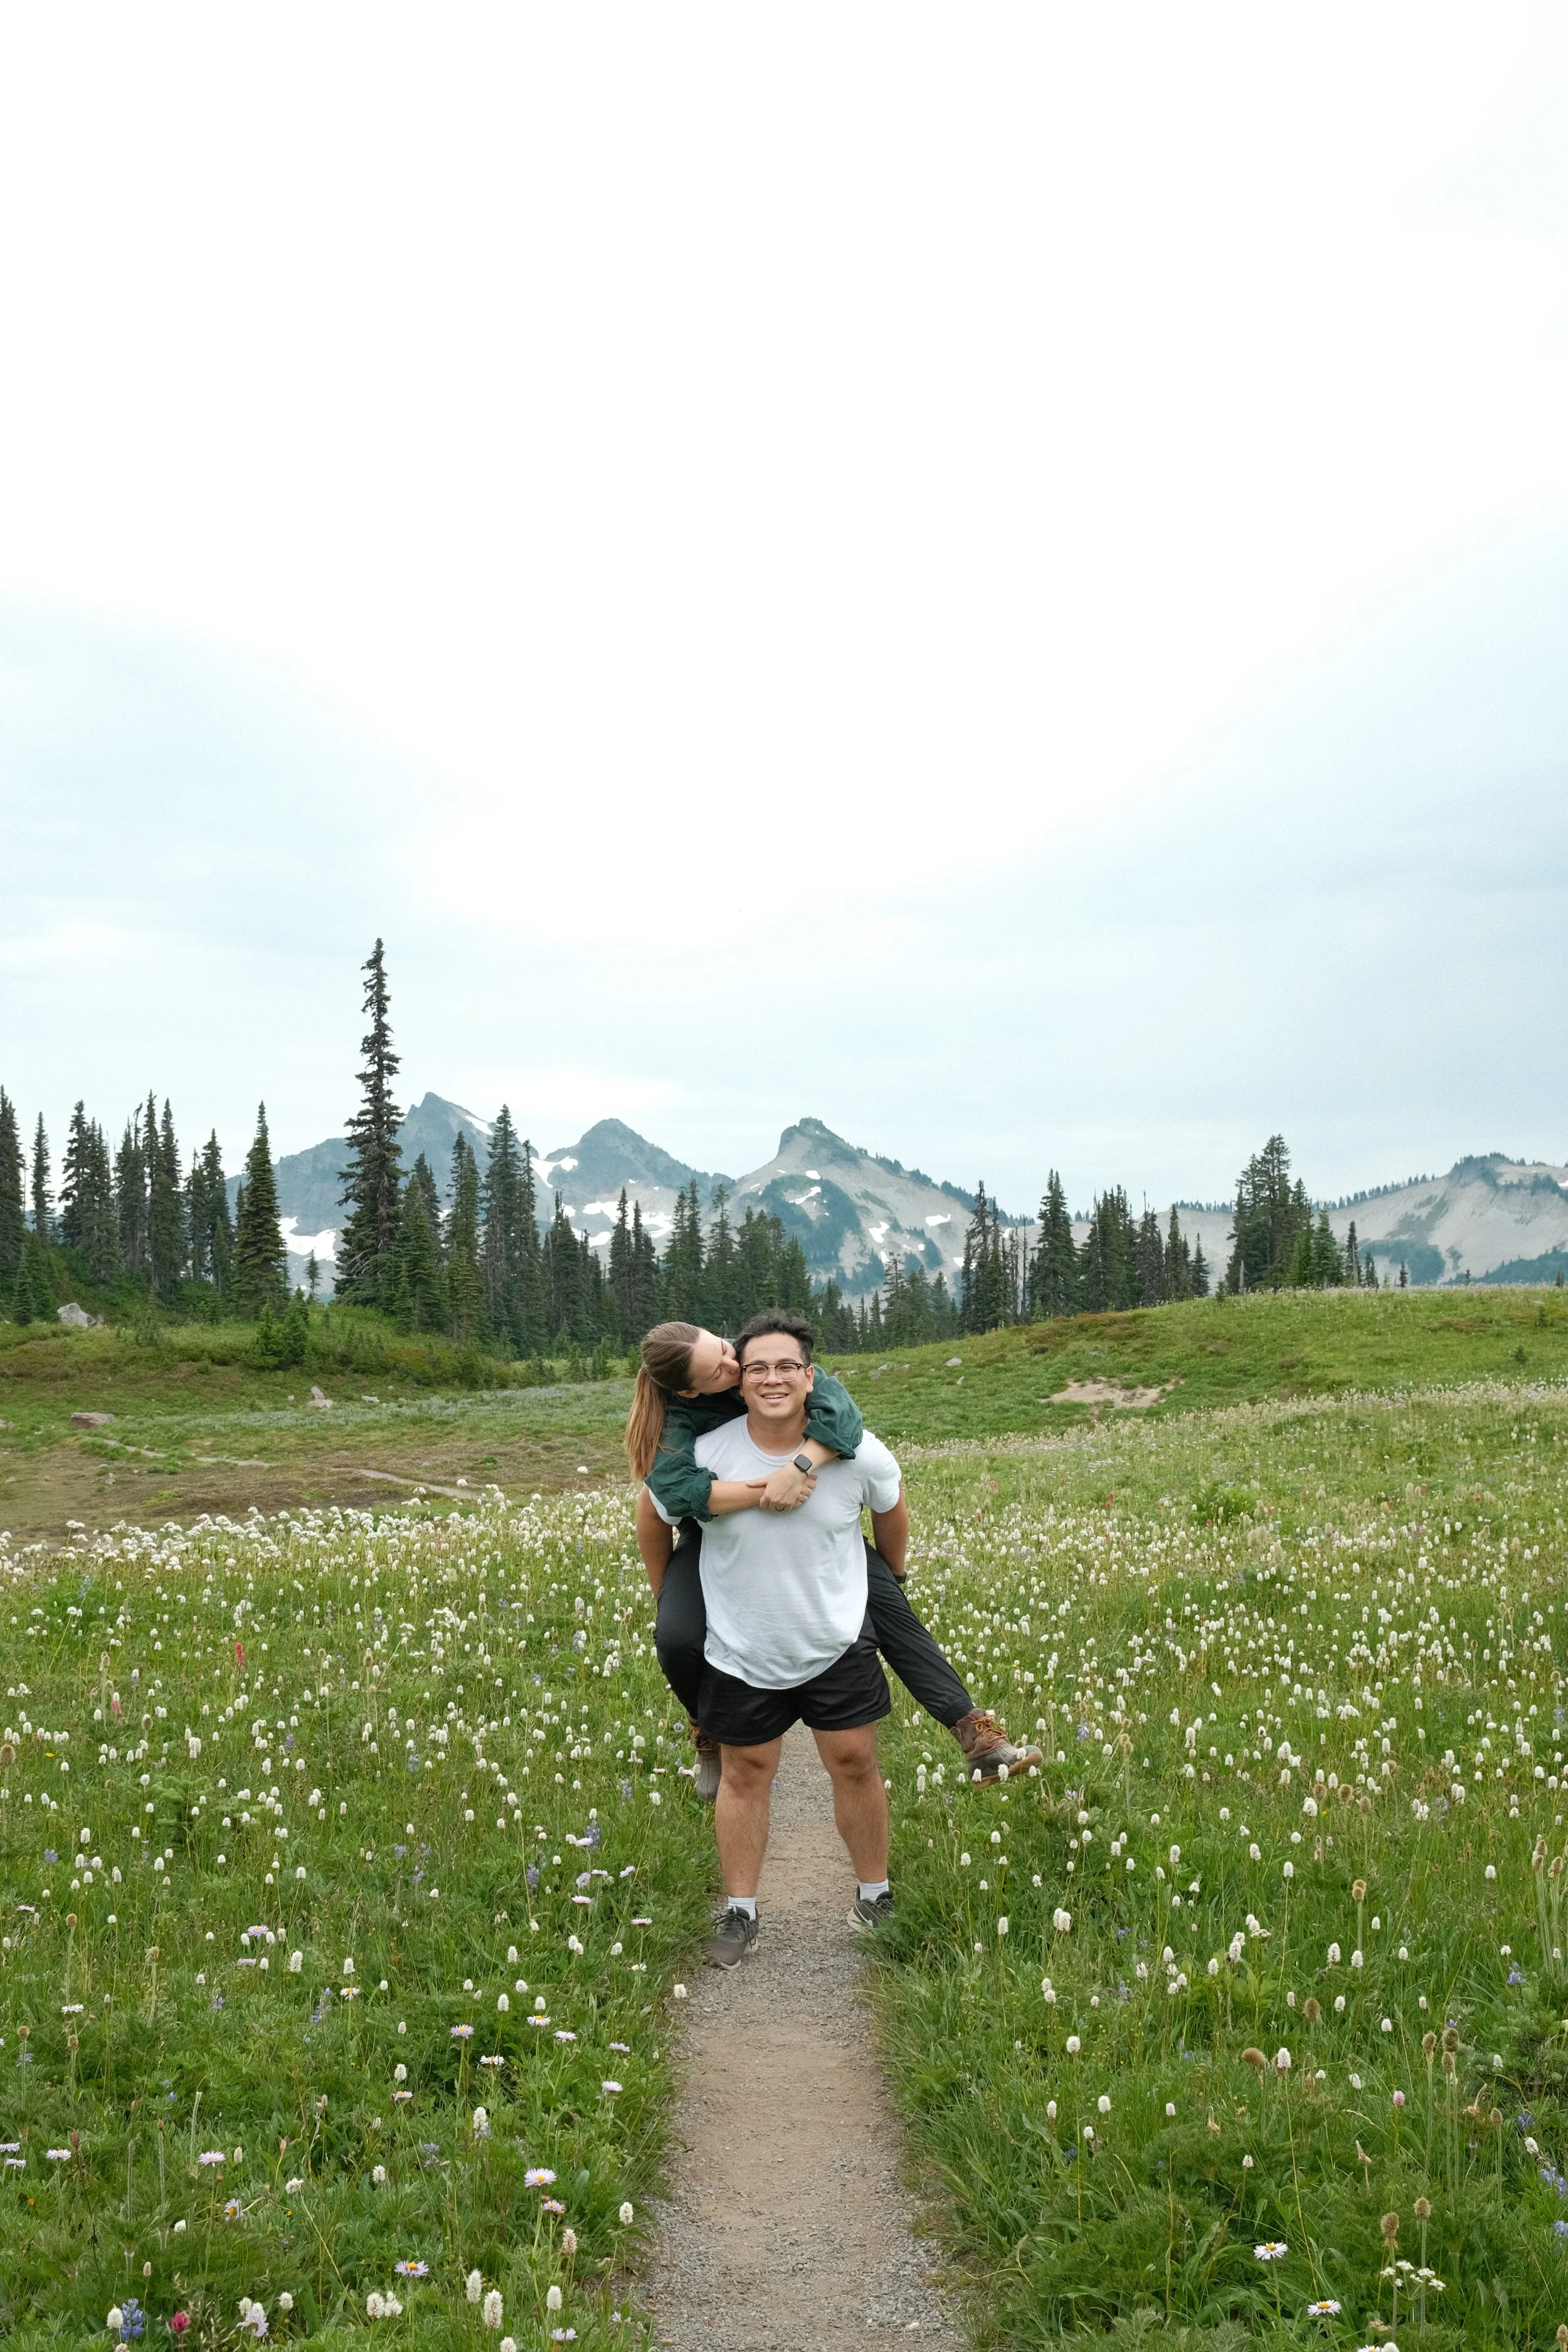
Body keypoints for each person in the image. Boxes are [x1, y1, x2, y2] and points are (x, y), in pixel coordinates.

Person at [626, 1318, 1041, 1799]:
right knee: (675, 1637)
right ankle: (706, 1729)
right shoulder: (681, 1424)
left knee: (888, 1607)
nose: (734, 1365)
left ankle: (975, 1733)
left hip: (812, 1521)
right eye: (717, 1371)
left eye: (723, 1347)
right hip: (716, 1529)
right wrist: (666, 1592)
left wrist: (802, 1468)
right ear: (691, 1392)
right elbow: (658, 1507)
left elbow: (845, 1420)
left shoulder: (771, 1366)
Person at [644, 1309, 906, 1964]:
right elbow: (656, 1511)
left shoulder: (855, 1448)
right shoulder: (703, 1451)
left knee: (855, 1763)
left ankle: (874, 1895)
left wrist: (893, 1580)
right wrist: (668, 1596)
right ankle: (740, 1913)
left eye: (783, 1365)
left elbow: (891, 1506)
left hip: (834, 1638)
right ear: (724, 1383)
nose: (763, 1377)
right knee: (744, 1775)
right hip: (741, 1644)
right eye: (750, 1366)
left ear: (809, 1376)